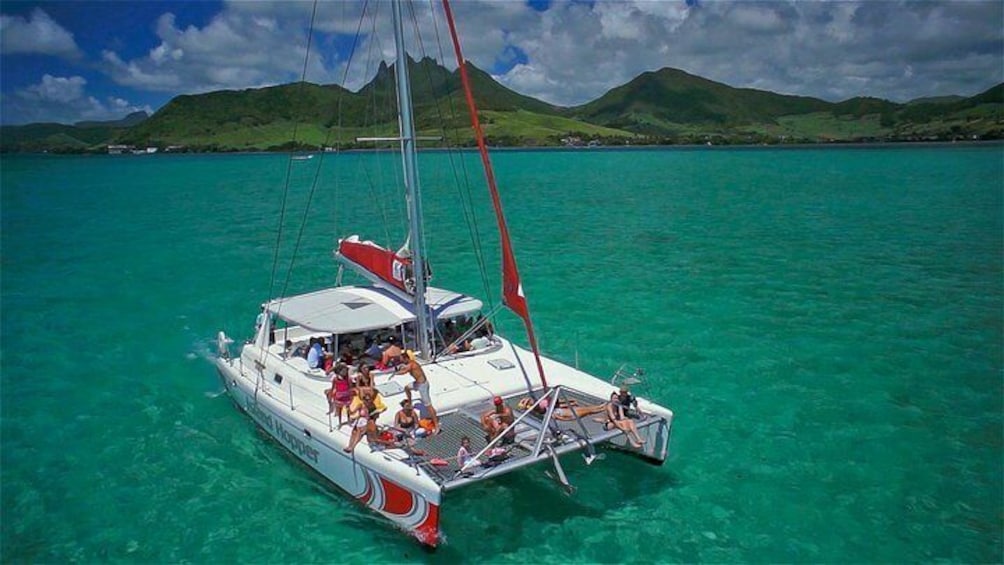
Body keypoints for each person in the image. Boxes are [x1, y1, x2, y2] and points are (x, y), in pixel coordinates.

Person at [399, 351, 439, 432]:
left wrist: (396, 373)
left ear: (406, 358)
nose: (401, 362)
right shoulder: (410, 363)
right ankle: (410, 402)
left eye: (402, 360)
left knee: (428, 406)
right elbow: (405, 367)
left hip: (422, 386)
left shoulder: (412, 364)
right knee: (407, 388)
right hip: (417, 383)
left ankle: (436, 425)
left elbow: (404, 371)